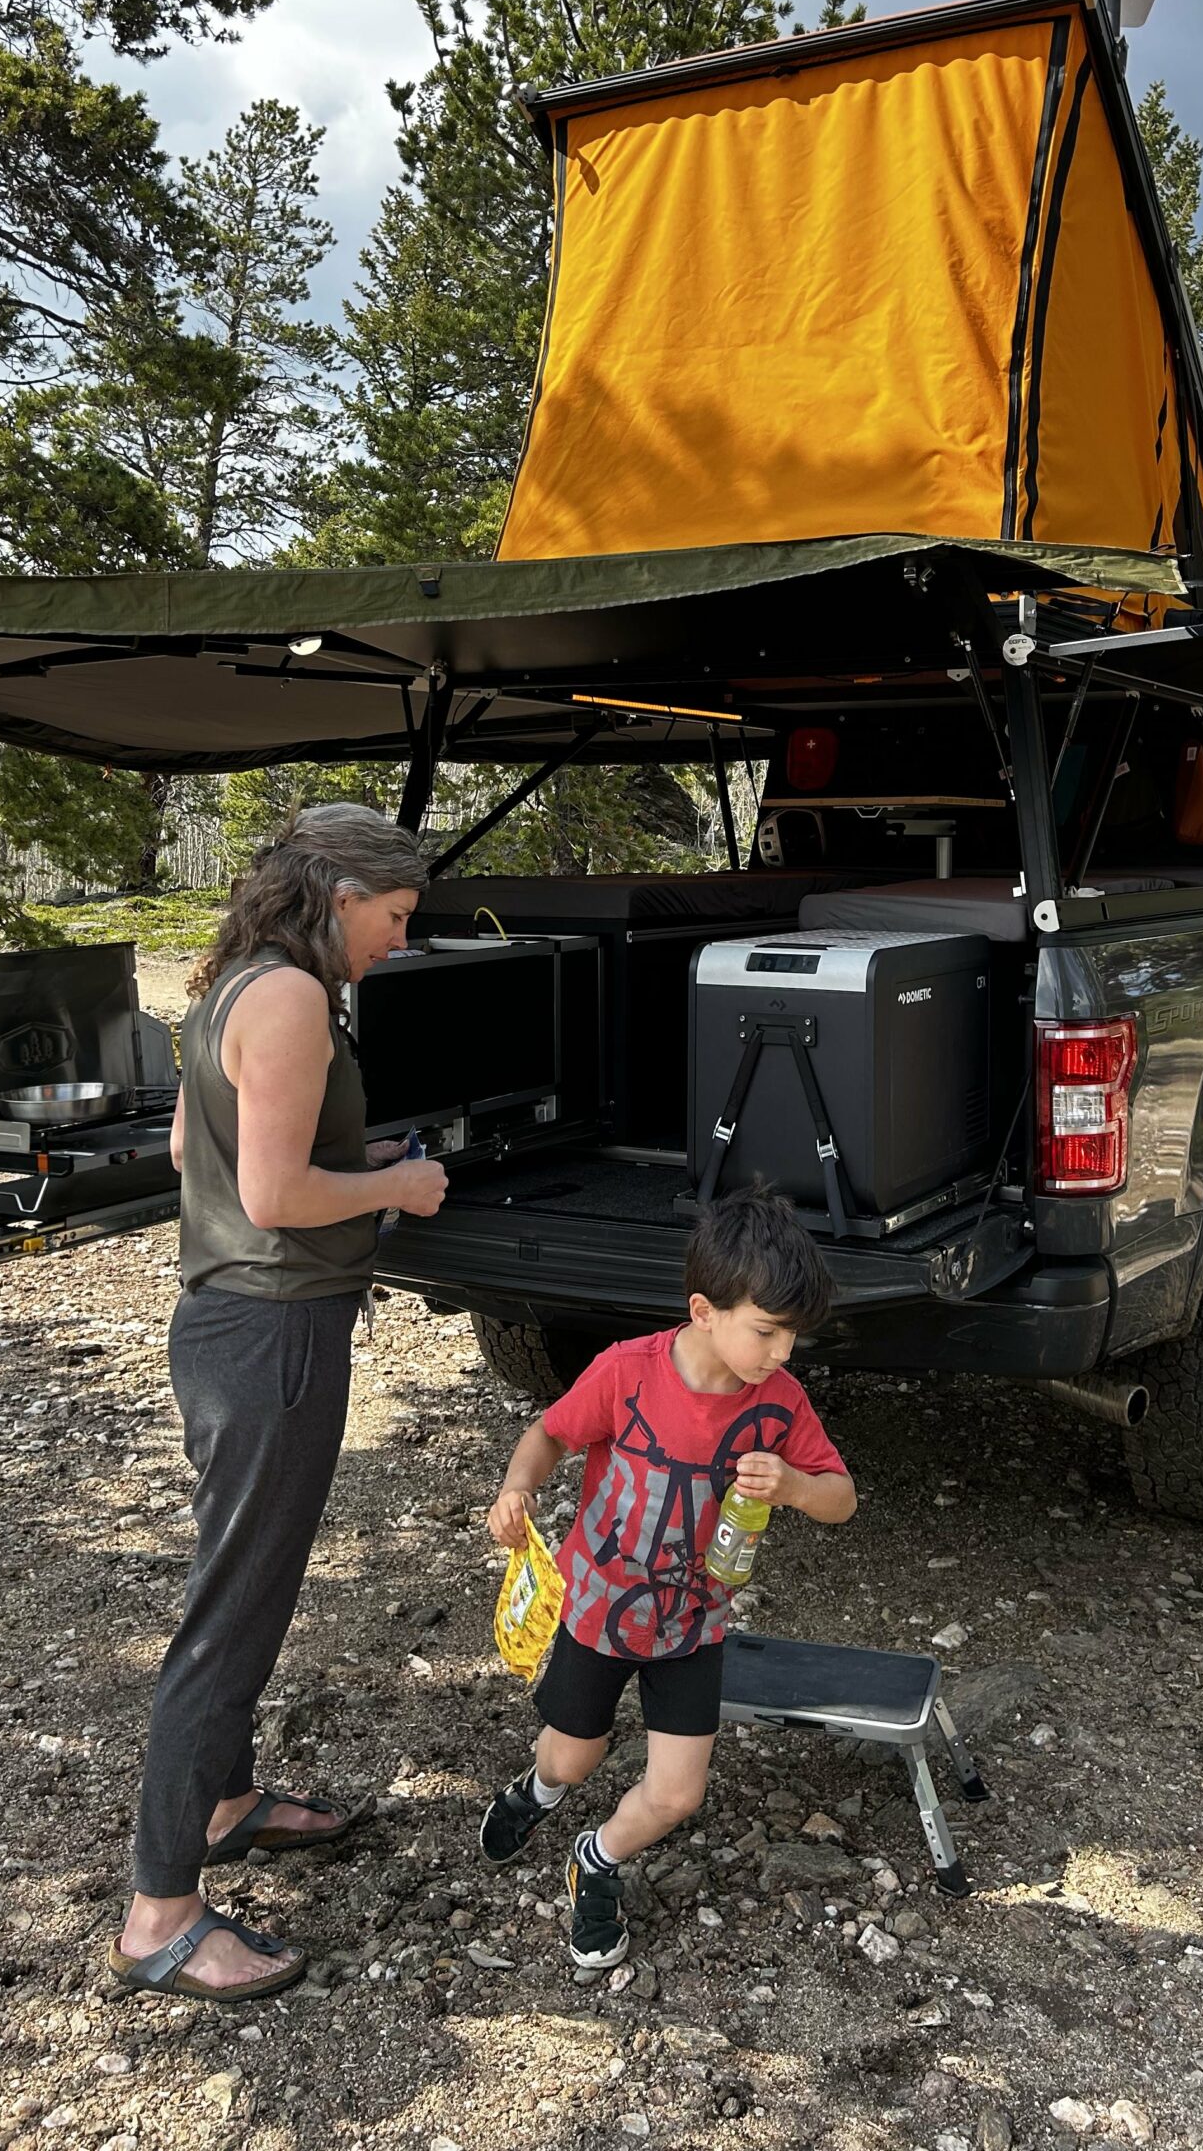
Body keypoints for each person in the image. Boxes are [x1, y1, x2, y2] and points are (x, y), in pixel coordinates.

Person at [108, 804, 448, 2001]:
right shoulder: (295, 999)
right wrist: (398, 1181)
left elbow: (186, 1161)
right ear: (344, 892)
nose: (398, 942)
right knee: (233, 1613)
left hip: (226, 1325)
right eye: (396, 917)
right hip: (274, 1334)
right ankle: (160, 1910)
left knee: (242, 1579)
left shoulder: (239, 981)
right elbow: (273, 1192)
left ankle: (228, 1800)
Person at [478, 1185, 857, 1971]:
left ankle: (598, 1859)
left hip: (692, 1625)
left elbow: (840, 1499)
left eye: (794, 1336)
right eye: (767, 1332)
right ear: (702, 1310)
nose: (783, 1353)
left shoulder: (780, 1405)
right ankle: (537, 1794)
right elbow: (547, 1436)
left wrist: (791, 1485)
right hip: (596, 1610)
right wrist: (517, 1489)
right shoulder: (628, 1374)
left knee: (679, 1792)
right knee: (571, 1758)